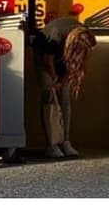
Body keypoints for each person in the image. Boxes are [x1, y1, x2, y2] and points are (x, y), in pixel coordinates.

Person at [30, 15, 97, 158]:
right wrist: (55, 80)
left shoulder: (85, 36)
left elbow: (75, 66)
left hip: (62, 58)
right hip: (44, 56)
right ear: (73, 44)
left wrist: (62, 82)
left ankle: (65, 141)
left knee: (65, 99)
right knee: (49, 96)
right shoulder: (55, 36)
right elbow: (48, 60)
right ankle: (52, 144)